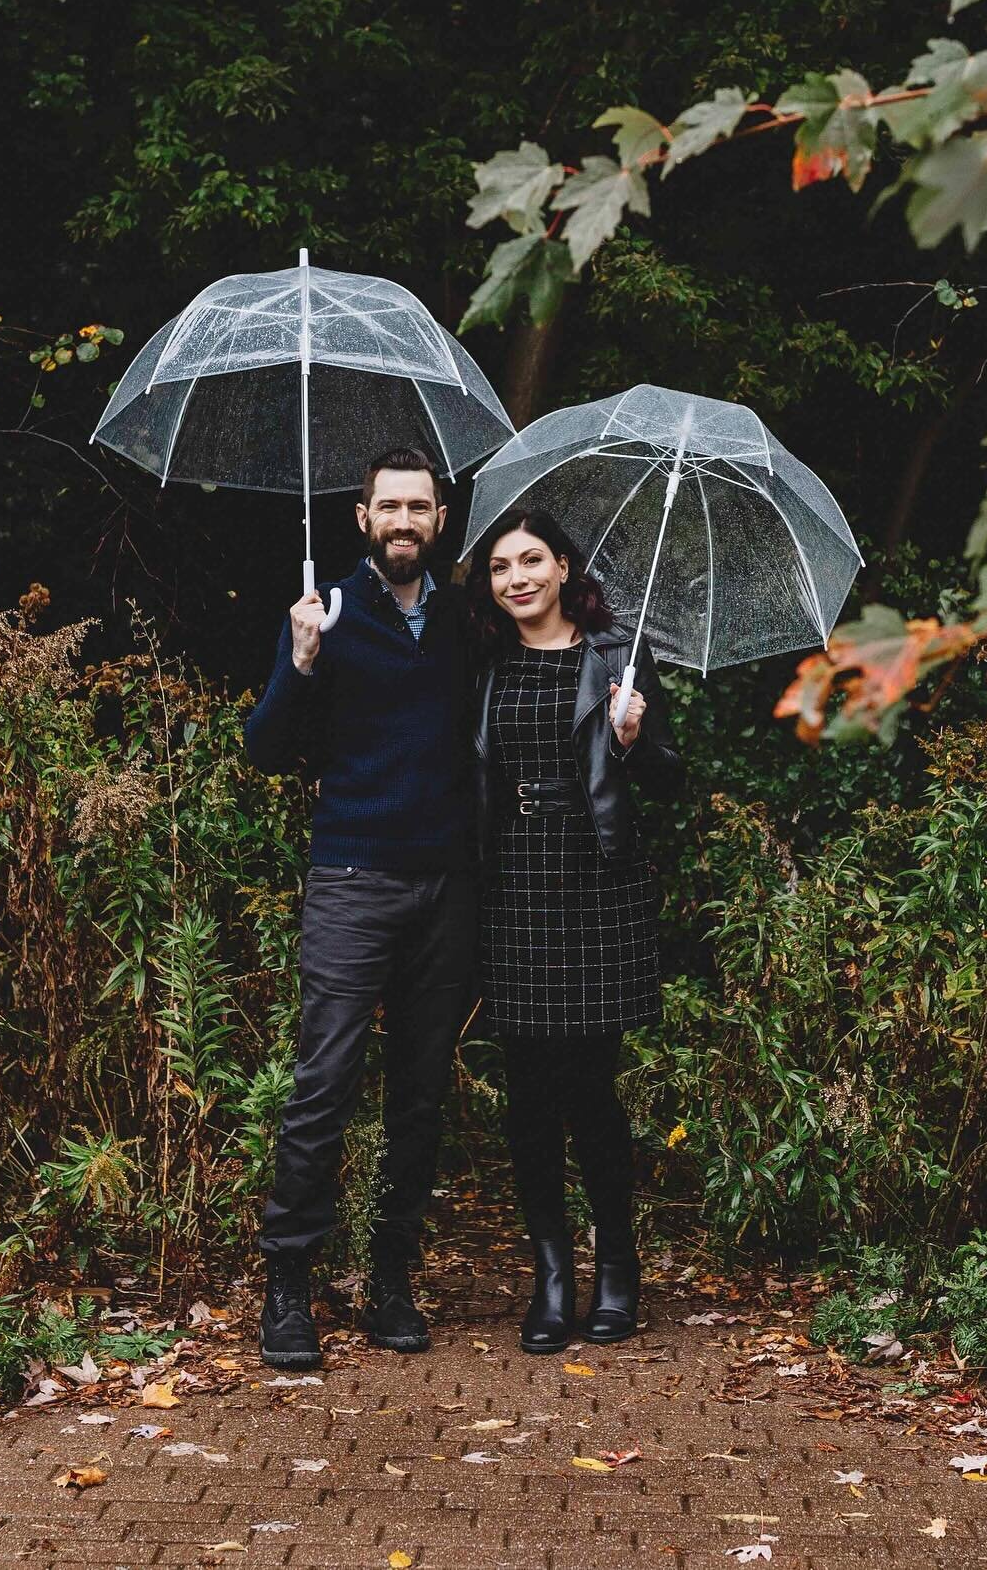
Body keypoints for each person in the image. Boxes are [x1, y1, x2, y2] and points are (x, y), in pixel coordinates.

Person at [243, 446, 476, 1370]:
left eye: (420, 507)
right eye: (390, 507)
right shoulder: (325, 613)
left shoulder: (466, 618)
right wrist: (299, 661)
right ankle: (288, 1286)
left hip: (448, 887)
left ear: (441, 521)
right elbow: (266, 748)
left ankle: (390, 1280)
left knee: (421, 1093)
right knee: (323, 1087)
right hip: (351, 880)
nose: (405, 521)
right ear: (362, 518)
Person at [466, 508, 683, 1354]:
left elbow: (669, 778)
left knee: (593, 1092)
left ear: (563, 568)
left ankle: (618, 1270)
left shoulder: (617, 659)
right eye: (498, 567)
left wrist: (632, 739)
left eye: (530, 561)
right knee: (529, 1097)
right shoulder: (485, 661)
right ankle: (551, 1277)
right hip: (514, 885)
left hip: (598, 885)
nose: (515, 578)